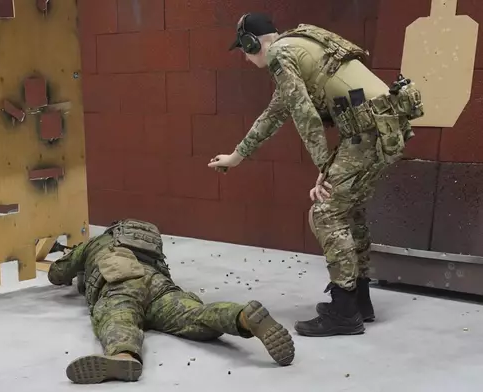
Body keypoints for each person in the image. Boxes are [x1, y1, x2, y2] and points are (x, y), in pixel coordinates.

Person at [207, 13, 424, 337]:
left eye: (244, 49)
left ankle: (343, 312)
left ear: (252, 43)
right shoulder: (299, 47)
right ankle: (359, 301)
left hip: (370, 132)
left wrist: (324, 168)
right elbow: (274, 113)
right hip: (382, 128)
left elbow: (304, 114)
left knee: (325, 212)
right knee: (348, 211)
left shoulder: (281, 54)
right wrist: (237, 157)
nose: (245, 56)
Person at [47, 218, 295, 384]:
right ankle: (242, 317)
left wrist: (75, 257)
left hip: (120, 282)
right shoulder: (150, 248)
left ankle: (123, 356)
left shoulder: (98, 242)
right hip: (159, 285)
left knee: (118, 315)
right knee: (193, 315)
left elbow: (57, 274)